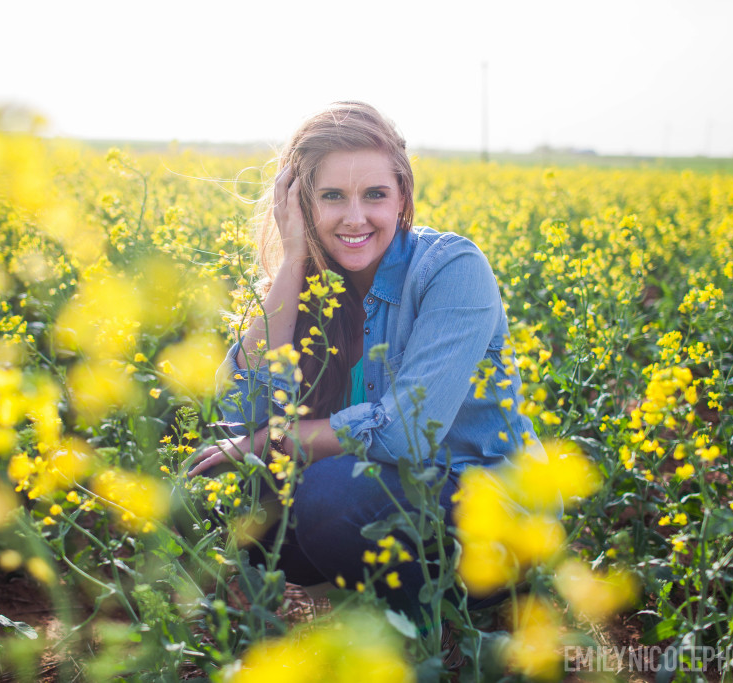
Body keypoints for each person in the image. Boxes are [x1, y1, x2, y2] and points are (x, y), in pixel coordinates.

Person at [188, 101, 540, 627]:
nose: (355, 218)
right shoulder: (306, 288)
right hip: (381, 510)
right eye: (332, 197)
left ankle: (451, 620)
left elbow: (407, 436)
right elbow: (236, 417)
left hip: (485, 519)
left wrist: (271, 440)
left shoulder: (451, 269)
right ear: (302, 203)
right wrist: (291, 261)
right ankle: (365, 606)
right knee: (216, 486)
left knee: (328, 492)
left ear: (402, 198)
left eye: (375, 195)